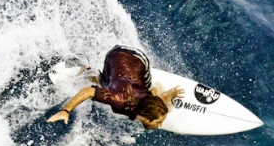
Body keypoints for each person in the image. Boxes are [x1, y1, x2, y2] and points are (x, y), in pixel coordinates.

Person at [47, 45, 184, 129]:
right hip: (123, 55)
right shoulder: (119, 100)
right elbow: (88, 91)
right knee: (108, 85)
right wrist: (66, 111)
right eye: (158, 122)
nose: (160, 125)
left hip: (130, 65)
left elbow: (152, 101)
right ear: (147, 117)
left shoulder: (144, 101)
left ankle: (89, 70)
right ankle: (83, 69)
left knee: (108, 84)